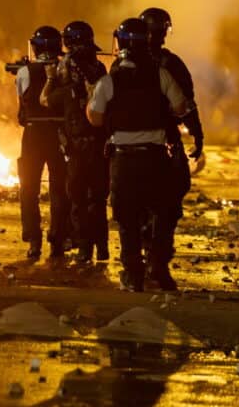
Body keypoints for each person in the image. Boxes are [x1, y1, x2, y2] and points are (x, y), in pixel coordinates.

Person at [86, 18, 190, 291]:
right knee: (163, 214)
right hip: (155, 159)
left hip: (123, 159)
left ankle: (133, 274)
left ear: (119, 43)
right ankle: (159, 269)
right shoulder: (160, 74)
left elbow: (95, 119)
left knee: (127, 218)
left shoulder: (110, 81)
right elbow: (181, 107)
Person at [140, 7, 204, 274]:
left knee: (135, 203)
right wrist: (197, 135)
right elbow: (186, 105)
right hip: (165, 142)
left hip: (130, 143)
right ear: (165, 31)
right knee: (169, 200)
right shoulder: (171, 64)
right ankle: (159, 257)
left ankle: (141, 254)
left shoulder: (123, 65)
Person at [40, 21, 109, 263]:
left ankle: (84, 248)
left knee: (79, 199)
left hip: (79, 147)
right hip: (99, 147)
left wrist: (50, 79)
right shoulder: (100, 71)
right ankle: (101, 247)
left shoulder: (66, 87)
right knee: (97, 200)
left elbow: (45, 101)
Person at [15, 26, 71, 261]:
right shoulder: (66, 69)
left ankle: (33, 240)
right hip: (58, 135)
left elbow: (21, 112)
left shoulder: (24, 72)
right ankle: (58, 240)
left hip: (33, 135)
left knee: (29, 189)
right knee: (60, 190)